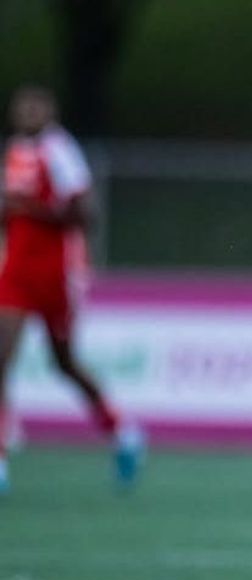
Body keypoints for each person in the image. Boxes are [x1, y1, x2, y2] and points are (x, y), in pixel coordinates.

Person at [0, 85, 143, 492]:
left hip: (57, 274)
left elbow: (86, 213)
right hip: (16, 271)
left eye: (36, 107)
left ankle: (121, 428)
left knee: (63, 362)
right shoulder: (14, 152)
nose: (28, 113)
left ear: (51, 112)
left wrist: (31, 208)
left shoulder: (60, 152)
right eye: (23, 106)